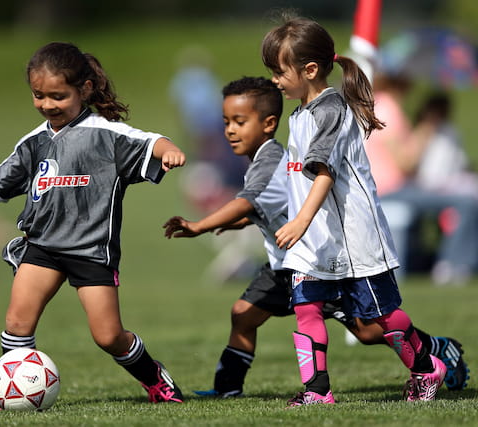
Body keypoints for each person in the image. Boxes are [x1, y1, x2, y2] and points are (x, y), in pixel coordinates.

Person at [0, 42, 186, 404]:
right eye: (38, 95)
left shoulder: (107, 135)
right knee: (17, 324)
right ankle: (10, 395)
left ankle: (154, 377)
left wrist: (168, 152)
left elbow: (150, 141)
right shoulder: (34, 142)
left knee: (108, 336)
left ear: (85, 89)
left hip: (90, 250)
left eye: (57, 96)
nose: (46, 104)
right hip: (42, 246)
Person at [163, 76, 468, 398]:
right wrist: (237, 223)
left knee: (367, 331)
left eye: (239, 121)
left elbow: (248, 201)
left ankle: (435, 348)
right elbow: (270, 209)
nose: (230, 130)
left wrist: (202, 225)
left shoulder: (269, 161)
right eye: (226, 122)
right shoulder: (258, 162)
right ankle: (229, 389)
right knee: (243, 314)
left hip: (312, 259)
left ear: (268, 124)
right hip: (284, 267)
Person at [261, 16, 446, 405]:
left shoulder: (332, 111)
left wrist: (299, 221)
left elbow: (324, 173)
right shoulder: (300, 115)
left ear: (309, 70)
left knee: (381, 316)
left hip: (353, 238)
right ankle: (317, 391)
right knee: (307, 307)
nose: (274, 80)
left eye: (279, 71)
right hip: (314, 240)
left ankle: (428, 366)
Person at [365, 74, 478, 284]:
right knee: (466, 201)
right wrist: (426, 128)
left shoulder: (378, 106)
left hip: (388, 186)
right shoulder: (388, 109)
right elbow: (405, 163)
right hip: (392, 188)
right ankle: (451, 264)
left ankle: (453, 261)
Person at [169, 45, 259, 283]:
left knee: (215, 201)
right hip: (220, 161)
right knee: (213, 202)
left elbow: (209, 134)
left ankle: (236, 257)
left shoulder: (208, 113)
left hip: (222, 162)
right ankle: (237, 256)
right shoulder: (207, 96)